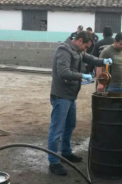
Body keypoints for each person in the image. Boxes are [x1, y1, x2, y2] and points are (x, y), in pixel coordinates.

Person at [48, 31, 113, 175]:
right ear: (80, 40)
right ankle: (53, 162)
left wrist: (102, 61)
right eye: (86, 46)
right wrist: (82, 76)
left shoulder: (77, 50)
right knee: (56, 130)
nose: (86, 49)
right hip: (61, 96)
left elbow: (88, 58)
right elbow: (63, 72)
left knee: (70, 125)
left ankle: (65, 152)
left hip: (70, 96)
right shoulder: (64, 50)